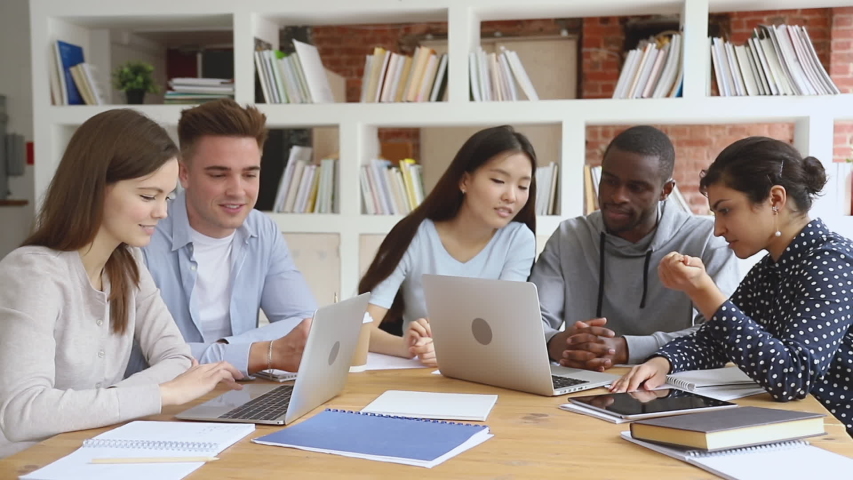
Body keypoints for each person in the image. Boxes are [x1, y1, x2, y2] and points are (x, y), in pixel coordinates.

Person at [0, 109, 243, 458]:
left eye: (167, 197)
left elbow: (176, 356)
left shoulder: (128, 263)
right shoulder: (33, 274)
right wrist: (162, 394)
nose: (162, 212)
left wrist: (119, 400)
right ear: (95, 188)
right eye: (148, 196)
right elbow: (23, 412)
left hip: (94, 452)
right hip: (29, 464)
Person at [611, 136, 853, 437]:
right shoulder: (771, 269)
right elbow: (717, 341)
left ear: (775, 199)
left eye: (725, 210)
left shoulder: (831, 262)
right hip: (799, 427)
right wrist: (664, 362)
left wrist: (702, 290)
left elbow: (792, 377)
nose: (717, 229)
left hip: (837, 441)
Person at [126, 99, 317, 378]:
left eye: (250, 174)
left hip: (241, 390)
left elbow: (306, 325)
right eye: (219, 175)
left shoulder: (263, 231)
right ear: (184, 173)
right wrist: (258, 353)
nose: (238, 191)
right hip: (164, 402)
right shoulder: (142, 238)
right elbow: (138, 358)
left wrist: (223, 353)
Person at [530, 126, 740, 371]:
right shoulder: (569, 236)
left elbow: (722, 334)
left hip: (670, 384)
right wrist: (554, 343)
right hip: (582, 380)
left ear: (666, 191)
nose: (618, 196)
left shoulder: (706, 241)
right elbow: (534, 321)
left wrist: (628, 349)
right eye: (609, 181)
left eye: (636, 187)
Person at [359, 125, 538, 367]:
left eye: (522, 186)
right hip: (416, 375)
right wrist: (408, 346)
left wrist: (450, 348)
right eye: (498, 180)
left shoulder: (518, 240)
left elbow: (503, 329)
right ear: (465, 180)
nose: (511, 196)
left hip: (484, 372)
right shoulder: (414, 234)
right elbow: (360, 328)